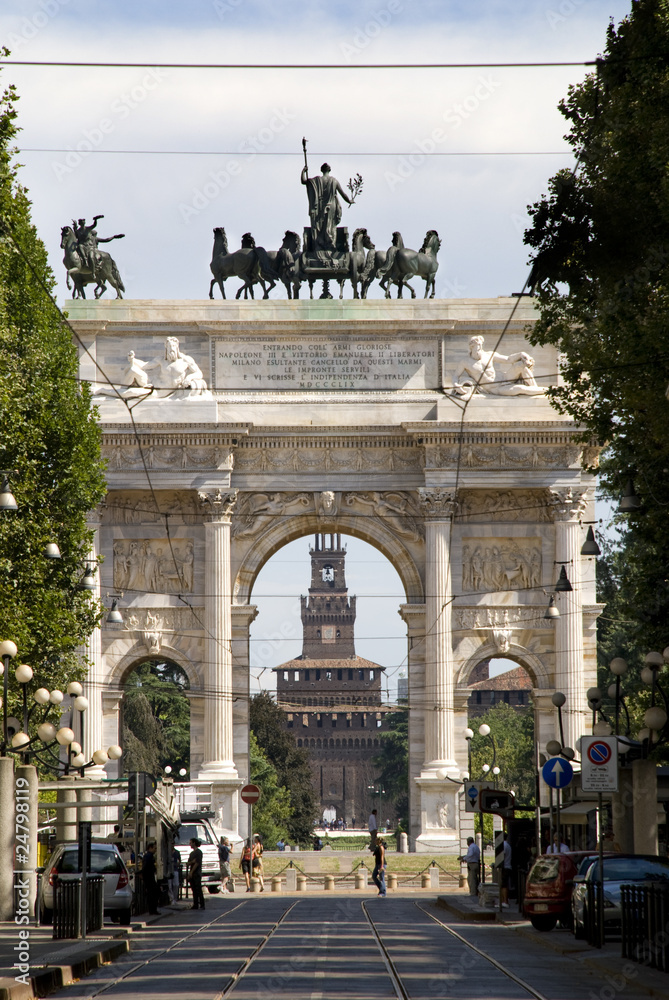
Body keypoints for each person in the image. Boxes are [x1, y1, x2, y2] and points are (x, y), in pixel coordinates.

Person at [301, 161, 352, 251]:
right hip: (331, 206)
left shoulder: (316, 180)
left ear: (321, 170)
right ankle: (331, 244)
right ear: (330, 170)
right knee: (331, 227)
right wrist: (349, 201)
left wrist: (303, 171)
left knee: (319, 226)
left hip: (319, 207)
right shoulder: (334, 181)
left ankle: (319, 244)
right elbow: (343, 194)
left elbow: (304, 181)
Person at [142, 842, 159, 915]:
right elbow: (146, 867)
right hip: (149, 877)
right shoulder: (149, 856)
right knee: (153, 894)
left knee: (152, 894)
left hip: (149, 877)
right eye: (154, 848)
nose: (155, 850)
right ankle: (152, 910)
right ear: (150, 848)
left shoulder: (149, 856)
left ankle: (152, 910)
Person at [188, 837, 205, 910]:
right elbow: (189, 862)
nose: (190, 844)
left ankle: (202, 904)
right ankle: (195, 904)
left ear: (194, 843)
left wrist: (191, 872)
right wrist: (192, 862)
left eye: (191, 843)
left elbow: (197, 863)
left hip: (196, 873)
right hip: (192, 873)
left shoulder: (198, 852)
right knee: (194, 890)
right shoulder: (191, 853)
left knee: (198, 889)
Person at [500, 833, 512, 909]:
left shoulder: (503, 845)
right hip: (507, 866)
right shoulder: (507, 845)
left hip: (505, 867)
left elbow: (502, 856)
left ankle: (505, 901)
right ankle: (504, 901)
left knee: (504, 885)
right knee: (504, 884)